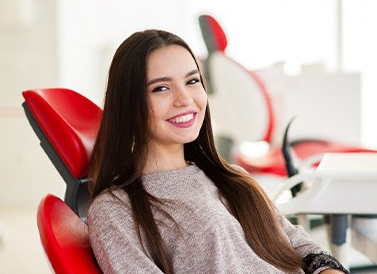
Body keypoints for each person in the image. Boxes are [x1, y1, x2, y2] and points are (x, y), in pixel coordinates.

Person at [87, 29, 349, 274]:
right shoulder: (115, 209)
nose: (185, 99)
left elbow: (306, 250)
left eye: (192, 81)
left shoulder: (233, 178)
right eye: (161, 88)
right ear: (128, 104)